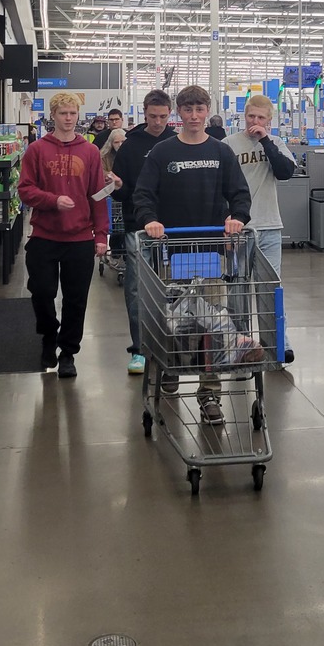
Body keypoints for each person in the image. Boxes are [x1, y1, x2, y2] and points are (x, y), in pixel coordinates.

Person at [135, 84, 251, 425]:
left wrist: (237, 218)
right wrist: (151, 220)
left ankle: (209, 393)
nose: (195, 116)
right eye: (188, 110)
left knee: (213, 323)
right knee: (172, 321)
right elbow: (144, 194)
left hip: (212, 253)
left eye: (200, 109)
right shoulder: (162, 153)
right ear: (179, 114)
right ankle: (169, 368)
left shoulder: (221, 152)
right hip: (170, 253)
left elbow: (239, 193)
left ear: (206, 111)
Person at [18, 92, 108, 379]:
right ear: (53, 116)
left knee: (76, 299)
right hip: (44, 235)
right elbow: (25, 189)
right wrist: (52, 200)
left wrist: (101, 235)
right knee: (42, 292)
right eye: (63, 113)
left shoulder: (90, 152)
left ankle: (68, 352)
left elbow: (97, 195)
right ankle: (48, 335)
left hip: (80, 238)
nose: (68, 118)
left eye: (72, 113)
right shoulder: (37, 150)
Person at [223, 94, 296, 364]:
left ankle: (278, 343)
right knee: (237, 290)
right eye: (251, 116)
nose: (255, 122)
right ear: (244, 115)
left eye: (261, 118)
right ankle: (240, 343)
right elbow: (221, 188)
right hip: (238, 229)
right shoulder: (228, 144)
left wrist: (266, 140)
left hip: (269, 228)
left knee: (271, 289)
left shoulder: (276, 143)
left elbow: (285, 171)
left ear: (269, 120)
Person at [108, 90, 173, 375]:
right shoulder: (131, 145)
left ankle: (170, 343)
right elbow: (122, 194)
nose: (158, 122)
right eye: (152, 116)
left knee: (177, 289)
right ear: (144, 113)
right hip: (140, 228)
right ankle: (139, 349)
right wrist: (118, 186)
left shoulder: (177, 141)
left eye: (163, 117)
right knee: (136, 290)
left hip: (176, 228)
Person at [100, 128, 127, 256]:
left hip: (125, 193)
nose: (120, 145)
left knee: (123, 224)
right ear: (111, 143)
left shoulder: (131, 154)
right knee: (115, 224)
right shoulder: (104, 156)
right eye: (116, 142)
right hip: (110, 195)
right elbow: (101, 172)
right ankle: (115, 250)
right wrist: (109, 176)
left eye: (123, 141)